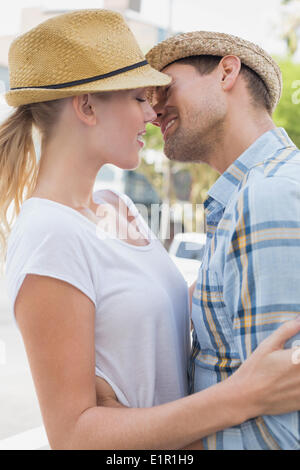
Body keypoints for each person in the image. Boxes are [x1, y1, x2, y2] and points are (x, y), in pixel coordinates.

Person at [2, 10, 300, 451]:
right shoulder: (50, 231)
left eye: (152, 97)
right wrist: (239, 396)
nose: (153, 112)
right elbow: (72, 437)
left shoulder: (119, 207)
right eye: (139, 98)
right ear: (86, 106)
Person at [145, 31, 300, 449]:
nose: (153, 110)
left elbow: (284, 433)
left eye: (163, 88)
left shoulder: (266, 196)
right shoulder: (248, 195)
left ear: (226, 72)